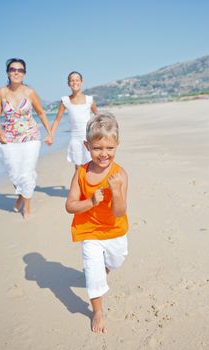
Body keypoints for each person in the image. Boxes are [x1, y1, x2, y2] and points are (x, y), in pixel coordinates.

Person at [66, 113, 129, 333]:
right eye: (97, 148)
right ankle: (98, 311)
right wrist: (91, 201)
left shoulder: (120, 174)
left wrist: (117, 191)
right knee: (93, 274)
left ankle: (104, 268)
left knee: (117, 260)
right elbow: (70, 205)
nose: (104, 154)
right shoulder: (81, 173)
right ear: (87, 145)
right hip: (89, 232)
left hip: (114, 230)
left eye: (109, 149)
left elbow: (120, 212)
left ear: (117, 145)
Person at [0, 58, 53, 218]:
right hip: (8, 139)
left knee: (26, 173)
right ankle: (21, 194)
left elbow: (41, 113)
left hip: (30, 136)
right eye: (13, 69)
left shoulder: (30, 92)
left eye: (20, 70)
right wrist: (0, 134)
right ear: (8, 72)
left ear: (24, 74)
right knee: (14, 173)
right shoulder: (1, 92)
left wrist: (49, 133)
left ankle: (26, 207)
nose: (16, 72)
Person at [51, 71, 97, 169]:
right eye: (72, 80)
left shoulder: (89, 100)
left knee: (91, 166)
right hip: (75, 138)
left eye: (77, 80)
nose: (74, 82)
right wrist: (51, 135)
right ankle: (79, 184)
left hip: (89, 137)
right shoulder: (65, 101)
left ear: (82, 82)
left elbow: (98, 117)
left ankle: (90, 184)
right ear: (68, 83)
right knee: (79, 168)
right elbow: (57, 120)